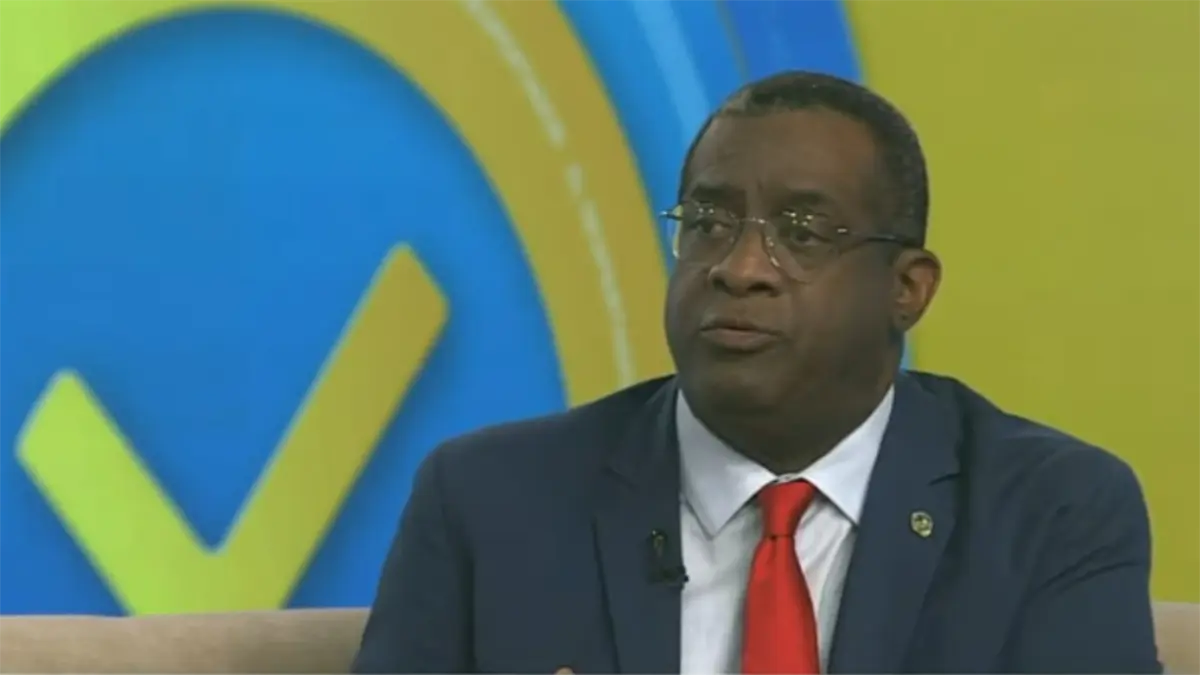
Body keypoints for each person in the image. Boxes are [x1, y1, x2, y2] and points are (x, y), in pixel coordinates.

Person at [351, 71, 1160, 674]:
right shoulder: (489, 500)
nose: (739, 268)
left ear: (907, 289)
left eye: (802, 234)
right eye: (708, 222)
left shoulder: (1048, 512)